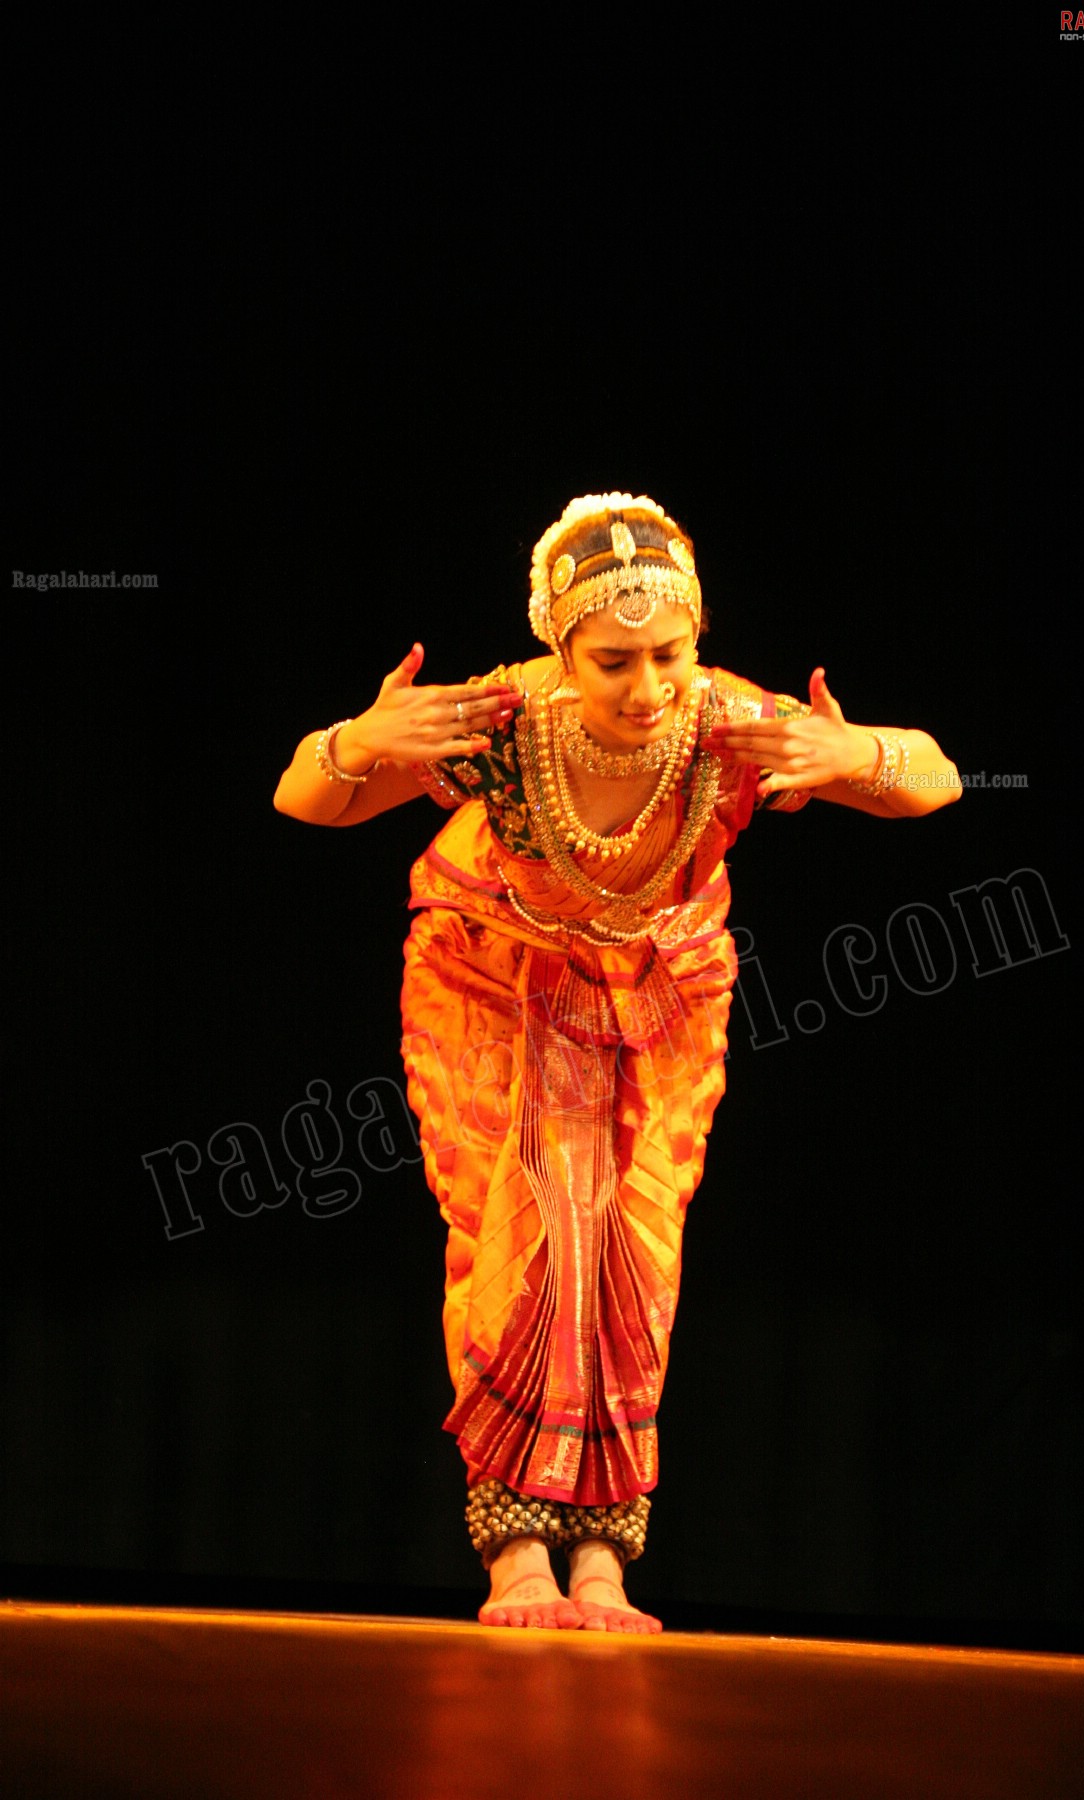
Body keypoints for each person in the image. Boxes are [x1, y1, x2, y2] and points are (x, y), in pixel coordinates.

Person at [274, 492, 961, 1634]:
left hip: (661, 1004)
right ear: (560, 647)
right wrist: (356, 742)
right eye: (614, 662)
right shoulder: (500, 718)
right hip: (494, 980)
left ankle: (603, 1554)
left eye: (670, 654)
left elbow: (938, 777)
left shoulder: (728, 719)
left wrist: (857, 752)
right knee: (524, 1240)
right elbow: (304, 797)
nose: (648, 688)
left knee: (631, 1259)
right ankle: (515, 1556)